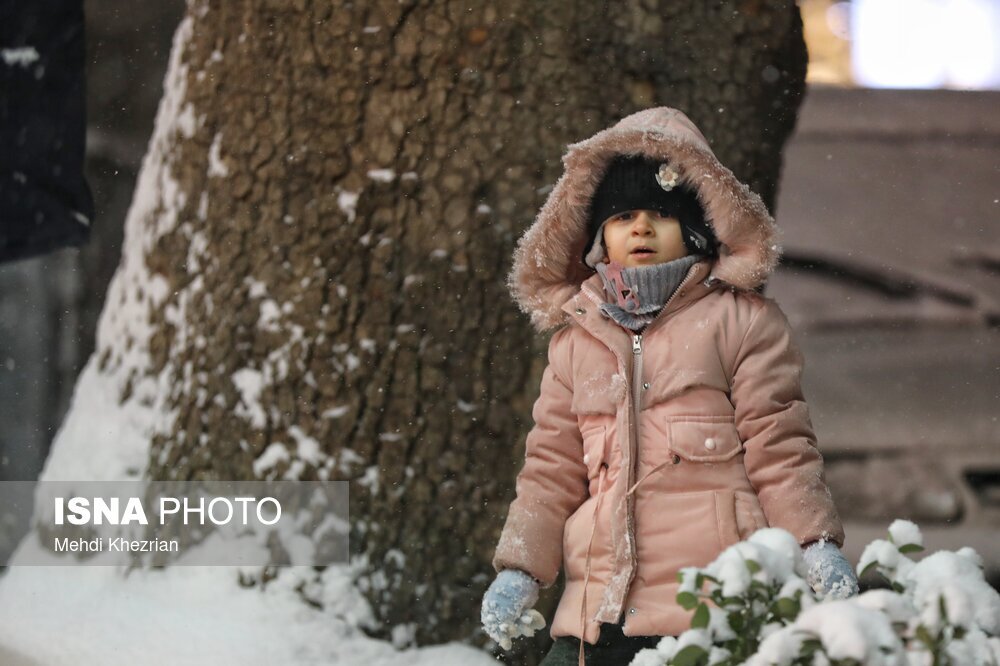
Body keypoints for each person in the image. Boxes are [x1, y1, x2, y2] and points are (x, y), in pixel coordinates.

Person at [480, 107, 858, 666]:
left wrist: (813, 544)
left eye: (660, 213)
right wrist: (520, 569)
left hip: (712, 610)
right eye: (623, 215)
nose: (640, 227)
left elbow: (779, 450)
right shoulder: (576, 343)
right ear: (598, 240)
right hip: (598, 614)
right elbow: (549, 473)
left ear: (696, 228)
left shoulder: (741, 324)